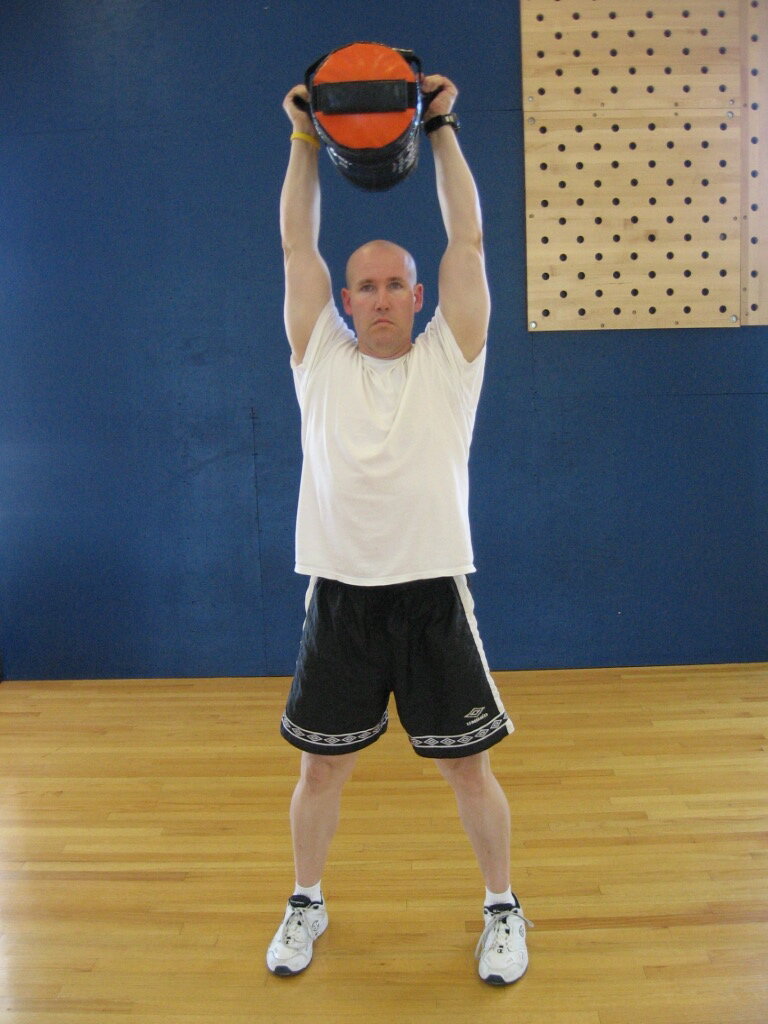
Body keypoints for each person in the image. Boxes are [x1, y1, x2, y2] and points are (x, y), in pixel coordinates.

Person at [267, 72, 530, 986]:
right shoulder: (319, 358)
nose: (380, 297)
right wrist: (305, 138)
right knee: (320, 776)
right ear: (345, 300)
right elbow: (297, 242)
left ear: (419, 298)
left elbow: (471, 237)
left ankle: (502, 908)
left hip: (431, 595)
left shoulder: (452, 360)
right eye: (365, 285)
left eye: (395, 285)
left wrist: (446, 126)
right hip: (338, 595)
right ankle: (306, 901)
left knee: (469, 772)